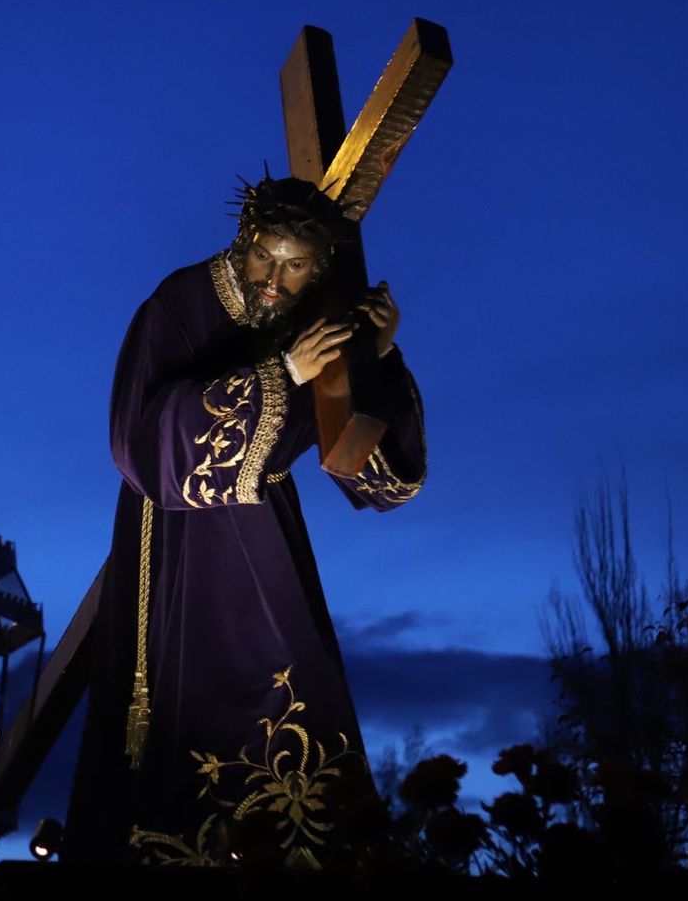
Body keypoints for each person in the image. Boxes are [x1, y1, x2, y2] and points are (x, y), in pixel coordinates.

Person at [64, 175, 426, 864]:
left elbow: (373, 478)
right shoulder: (180, 303)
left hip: (267, 536)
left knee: (291, 680)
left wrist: (377, 355)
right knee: (188, 694)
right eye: (265, 256)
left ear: (320, 266)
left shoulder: (322, 319)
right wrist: (282, 370)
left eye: (296, 266)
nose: (274, 279)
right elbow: (136, 439)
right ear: (244, 239)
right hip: (181, 533)